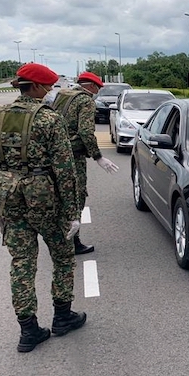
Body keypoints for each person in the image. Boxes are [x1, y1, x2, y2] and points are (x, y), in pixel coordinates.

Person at [0, 63, 86, 353]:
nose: (51, 92)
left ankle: (28, 330)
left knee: (21, 265)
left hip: (11, 204)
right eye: (48, 87)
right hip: (46, 204)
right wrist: (73, 212)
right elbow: (65, 171)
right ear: (35, 87)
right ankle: (63, 316)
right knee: (63, 258)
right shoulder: (49, 120)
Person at [49, 71, 119, 254]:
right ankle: (73, 242)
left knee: (58, 195)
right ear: (89, 86)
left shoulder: (62, 95)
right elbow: (86, 132)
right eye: (96, 88)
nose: (97, 92)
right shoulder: (86, 101)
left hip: (55, 152)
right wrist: (98, 157)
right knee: (76, 195)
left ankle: (58, 238)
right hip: (73, 156)